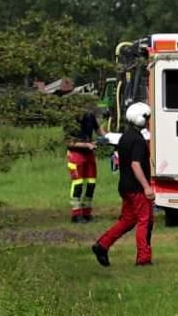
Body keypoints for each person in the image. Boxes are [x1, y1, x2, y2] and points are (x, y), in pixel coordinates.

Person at [92, 102, 155, 267]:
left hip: (125, 187)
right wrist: (146, 187)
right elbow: (136, 164)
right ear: (141, 119)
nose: (150, 121)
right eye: (148, 118)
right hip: (137, 188)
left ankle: (102, 245)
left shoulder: (125, 137)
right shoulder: (138, 140)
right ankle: (143, 258)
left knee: (127, 220)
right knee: (144, 221)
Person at [65, 104, 101, 223]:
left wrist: (109, 138)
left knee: (91, 183)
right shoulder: (70, 121)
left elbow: (99, 130)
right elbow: (69, 142)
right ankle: (76, 214)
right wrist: (86, 144)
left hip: (89, 154)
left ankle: (87, 212)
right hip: (76, 154)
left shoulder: (90, 116)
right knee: (78, 184)